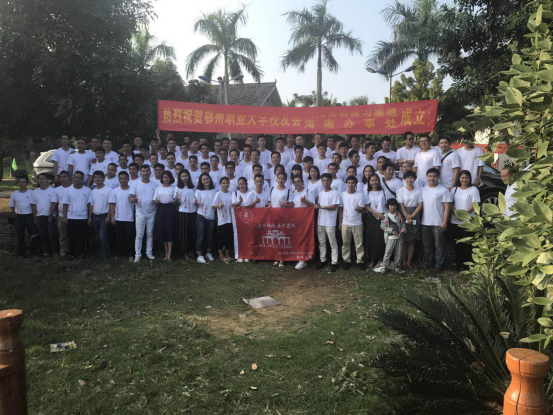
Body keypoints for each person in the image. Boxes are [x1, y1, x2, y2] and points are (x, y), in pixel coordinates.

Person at [420, 168, 452, 270]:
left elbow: (447, 207)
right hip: (425, 222)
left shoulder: (443, 190)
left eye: (434, 176)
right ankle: (428, 263)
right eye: (430, 176)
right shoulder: (422, 190)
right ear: (427, 177)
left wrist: (444, 221)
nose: (432, 178)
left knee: (439, 245)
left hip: (438, 222)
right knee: (426, 244)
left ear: (438, 177)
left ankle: (439, 264)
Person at [450, 170, 480, 271]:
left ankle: (467, 265)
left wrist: (464, 215)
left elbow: (475, 204)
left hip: (468, 222)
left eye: (466, 178)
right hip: (455, 221)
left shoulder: (473, 189)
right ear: (459, 178)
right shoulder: (454, 190)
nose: (464, 180)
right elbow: (450, 204)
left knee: (467, 244)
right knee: (457, 244)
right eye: (462, 177)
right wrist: (456, 214)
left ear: (470, 178)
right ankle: (458, 264)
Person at [129, 165, 158, 263]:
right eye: (143, 171)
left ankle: (149, 252)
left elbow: (156, 198)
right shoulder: (135, 184)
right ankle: (137, 255)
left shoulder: (154, 185)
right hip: (140, 212)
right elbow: (131, 196)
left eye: (147, 171)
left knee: (150, 233)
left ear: (150, 172)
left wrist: (156, 201)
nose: (145, 173)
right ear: (140, 172)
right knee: (139, 234)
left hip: (152, 212)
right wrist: (133, 199)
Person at [62, 171, 91, 258]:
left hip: (83, 217)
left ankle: (81, 253)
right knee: (71, 237)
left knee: (82, 237)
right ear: (73, 178)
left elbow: (90, 205)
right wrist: (64, 217)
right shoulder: (68, 190)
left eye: (79, 178)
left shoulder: (87, 190)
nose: (77, 179)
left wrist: (89, 217)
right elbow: (65, 204)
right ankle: (72, 253)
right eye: (76, 177)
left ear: (83, 179)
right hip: (71, 217)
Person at [397, 171, 423, 269]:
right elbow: (400, 204)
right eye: (407, 178)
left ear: (415, 179)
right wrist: (406, 215)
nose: (409, 180)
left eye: (411, 178)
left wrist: (412, 215)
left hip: (415, 215)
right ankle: (403, 262)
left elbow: (420, 205)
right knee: (404, 240)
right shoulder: (401, 190)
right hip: (404, 215)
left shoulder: (418, 191)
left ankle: (409, 262)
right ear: (404, 179)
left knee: (412, 241)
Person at [314, 173, 340, 273]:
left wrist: (322, 207)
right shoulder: (320, 194)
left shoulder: (335, 193)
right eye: (324, 181)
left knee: (333, 243)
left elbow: (334, 206)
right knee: (322, 242)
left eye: (328, 180)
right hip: (320, 221)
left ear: (331, 181)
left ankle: (334, 262)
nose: (326, 182)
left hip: (330, 222)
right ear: (322, 182)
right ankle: (323, 260)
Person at [339, 176, 365, 270]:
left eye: (353, 183)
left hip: (357, 223)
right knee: (345, 243)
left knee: (359, 244)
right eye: (349, 183)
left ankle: (360, 261)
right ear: (346, 184)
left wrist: (359, 209)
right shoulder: (342, 195)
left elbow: (362, 209)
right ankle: (346, 260)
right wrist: (340, 221)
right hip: (345, 222)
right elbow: (341, 209)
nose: (350, 185)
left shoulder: (360, 195)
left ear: (356, 184)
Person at [374, 198, 406, 273]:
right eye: (391, 205)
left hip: (399, 237)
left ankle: (397, 266)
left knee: (399, 252)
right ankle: (384, 266)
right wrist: (392, 231)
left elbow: (403, 225)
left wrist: (402, 231)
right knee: (388, 252)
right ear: (388, 206)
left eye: (394, 206)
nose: (393, 207)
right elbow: (383, 226)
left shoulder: (399, 215)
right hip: (390, 237)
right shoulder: (385, 215)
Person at [290, 175, 316, 270]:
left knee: (305, 238)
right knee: (297, 238)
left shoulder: (309, 192)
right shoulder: (293, 193)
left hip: (306, 219)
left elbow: (313, 205)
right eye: (295, 182)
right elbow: (292, 205)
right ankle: (298, 256)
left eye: (299, 181)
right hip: (295, 219)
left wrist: (305, 201)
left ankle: (303, 259)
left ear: (302, 182)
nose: (297, 183)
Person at [32, 173, 60, 257]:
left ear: (48, 180)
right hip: (40, 217)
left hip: (50, 216)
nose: (41, 180)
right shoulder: (35, 192)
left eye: (43, 178)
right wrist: (35, 217)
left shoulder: (53, 190)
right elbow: (34, 206)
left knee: (53, 235)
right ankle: (47, 252)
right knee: (43, 236)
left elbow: (54, 203)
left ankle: (56, 252)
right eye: (39, 178)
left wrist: (51, 215)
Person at [109, 171, 135, 260]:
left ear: (128, 179)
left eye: (125, 178)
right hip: (118, 218)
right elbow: (112, 204)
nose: (123, 180)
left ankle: (130, 255)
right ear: (119, 180)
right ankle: (119, 254)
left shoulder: (132, 191)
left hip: (130, 218)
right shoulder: (115, 191)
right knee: (119, 237)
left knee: (130, 237)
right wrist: (112, 216)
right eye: (121, 179)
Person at [153, 171, 177, 261]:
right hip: (161, 209)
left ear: (170, 178)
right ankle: (166, 253)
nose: (166, 179)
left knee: (169, 230)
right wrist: (156, 201)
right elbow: (155, 200)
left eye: (167, 177)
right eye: (164, 177)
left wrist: (176, 200)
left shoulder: (174, 188)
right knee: (163, 230)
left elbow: (176, 201)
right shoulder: (158, 188)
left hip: (170, 209)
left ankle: (170, 254)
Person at [363, 173, 386, 269]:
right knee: (371, 239)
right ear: (369, 182)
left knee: (381, 239)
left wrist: (382, 215)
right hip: (372, 217)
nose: (374, 182)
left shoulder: (383, 191)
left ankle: (380, 259)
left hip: (383, 217)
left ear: (379, 181)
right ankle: (372, 259)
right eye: (372, 181)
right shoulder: (367, 192)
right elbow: (366, 206)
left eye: (376, 180)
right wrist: (376, 213)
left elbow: (388, 204)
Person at [194, 173, 217, 264]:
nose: (206, 181)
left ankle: (208, 253)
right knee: (200, 236)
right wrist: (195, 203)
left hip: (211, 216)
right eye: (203, 180)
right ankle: (199, 255)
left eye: (207, 179)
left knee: (209, 236)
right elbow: (197, 204)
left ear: (210, 179)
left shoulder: (214, 191)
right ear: (201, 181)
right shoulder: (198, 191)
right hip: (201, 215)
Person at [88, 171, 112, 259]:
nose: (97, 179)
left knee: (103, 237)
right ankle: (100, 252)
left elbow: (111, 204)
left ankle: (105, 255)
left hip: (104, 216)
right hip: (95, 216)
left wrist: (109, 216)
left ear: (103, 178)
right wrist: (89, 217)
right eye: (95, 177)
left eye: (99, 177)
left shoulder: (108, 190)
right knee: (97, 237)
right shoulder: (92, 191)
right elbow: (91, 205)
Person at [9, 175, 34, 258]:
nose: (21, 184)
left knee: (32, 235)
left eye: (23, 182)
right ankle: (22, 253)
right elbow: (12, 206)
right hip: (19, 217)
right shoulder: (14, 194)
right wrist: (17, 213)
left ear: (27, 183)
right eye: (20, 182)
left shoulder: (31, 193)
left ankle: (34, 252)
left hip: (29, 216)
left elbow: (34, 205)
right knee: (20, 236)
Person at [175, 170, 197, 260]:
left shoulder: (193, 187)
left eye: (186, 176)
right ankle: (184, 252)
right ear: (180, 178)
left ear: (189, 177)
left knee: (193, 232)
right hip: (183, 212)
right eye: (182, 176)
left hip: (193, 211)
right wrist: (176, 200)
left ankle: (192, 251)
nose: (184, 178)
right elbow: (176, 203)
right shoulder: (178, 188)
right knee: (184, 233)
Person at [213, 177, 234, 263]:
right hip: (222, 219)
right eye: (223, 183)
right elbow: (213, 205)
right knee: (221, 238)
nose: (225, 184)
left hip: (230, 219)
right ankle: (221, 256)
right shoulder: (218, 193)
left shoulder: (231, 193)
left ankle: (227, 254)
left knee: (228, 237)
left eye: (227, 183)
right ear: (220, 184)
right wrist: (219, 205)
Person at [51, 170, 71, 256]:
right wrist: (50, 214)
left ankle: (73, 251)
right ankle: (63, 252)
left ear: (69, 178)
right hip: (61, 215)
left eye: (64, 177)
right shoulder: (57, 190)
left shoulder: (74, 188)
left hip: (73, 216)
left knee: (72, 235)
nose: (62, 179)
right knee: (63, 235)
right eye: (61, 177)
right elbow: (54, 203)